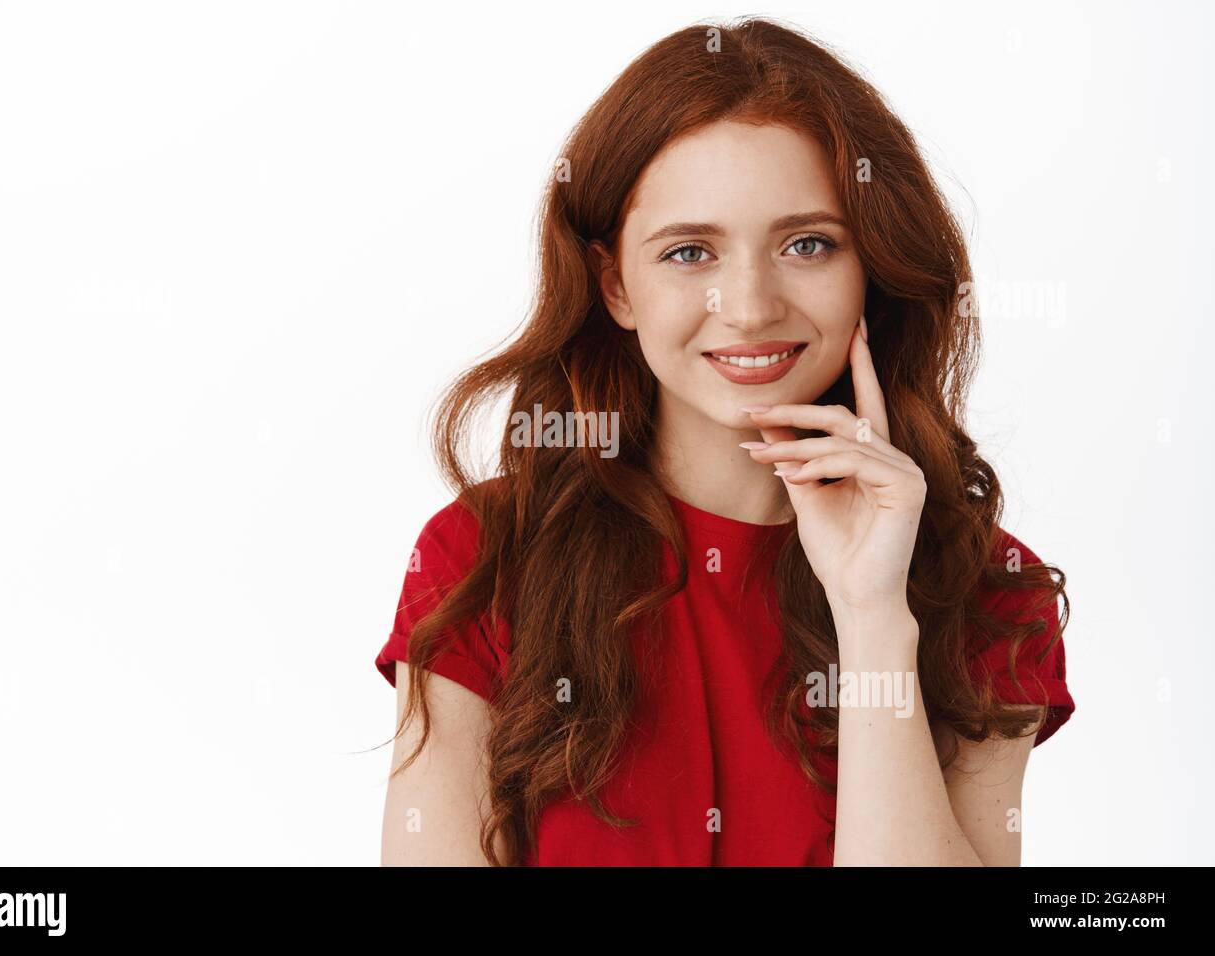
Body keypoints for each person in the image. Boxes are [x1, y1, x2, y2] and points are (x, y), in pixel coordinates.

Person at [374, 16, 1075, 866]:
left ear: (873, 270)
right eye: (689, 253)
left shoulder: (989, 592)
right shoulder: (483, 561)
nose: (747, 306)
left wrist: (872, 618)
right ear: (615, 286)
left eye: (808, 244)